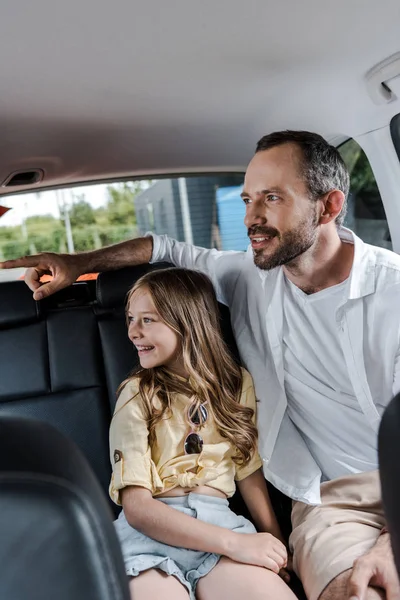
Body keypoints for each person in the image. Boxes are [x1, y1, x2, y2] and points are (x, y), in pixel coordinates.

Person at [1, 130, 400, 600]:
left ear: (329, 206)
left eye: (271, 198)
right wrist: (78, 262)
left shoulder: (392, 293)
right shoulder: (250, 277)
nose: (251, 217)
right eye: (249, 198)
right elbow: (162, 250)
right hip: (332, 501)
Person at [109, 267, 295, 600]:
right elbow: (137, 509)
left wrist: (275, 545)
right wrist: (237, 544)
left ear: (187, 323)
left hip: (221, 525)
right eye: (130, 319)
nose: (133, 332)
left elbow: (248, 471)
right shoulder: (137, 393)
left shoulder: (237, 384)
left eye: (147, 320)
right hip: (149, 538)